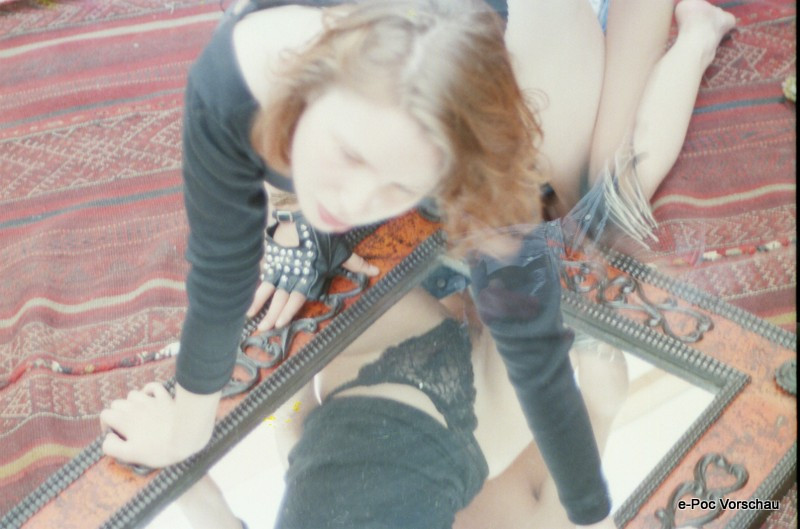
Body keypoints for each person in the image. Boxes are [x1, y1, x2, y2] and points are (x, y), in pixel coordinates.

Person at [98, 0, 735, 527]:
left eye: (393, 184)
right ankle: (693, 33)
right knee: (600, 202)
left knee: (589, 192)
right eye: (349, 156)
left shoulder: (473, 135)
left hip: (516, 53)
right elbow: (223, 268)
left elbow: (531, 337)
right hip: (456, 382)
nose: (352, 201)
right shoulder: (250, 75)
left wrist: (205, 429)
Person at [173, 285, 630, 529]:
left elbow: (288, 431)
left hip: (451, 412)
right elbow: (602, 403)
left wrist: (279, 363)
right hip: (448, 411)